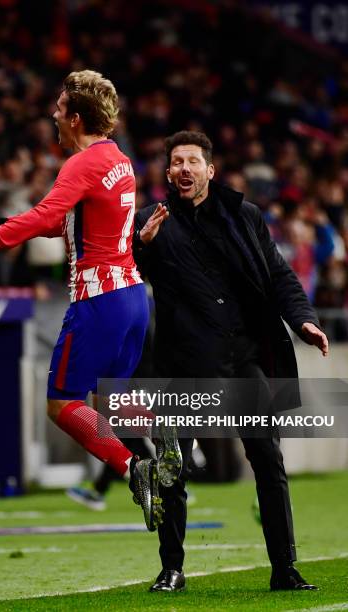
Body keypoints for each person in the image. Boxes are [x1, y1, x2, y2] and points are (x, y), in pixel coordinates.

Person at [0, 70, 182, 531]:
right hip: (132, 297)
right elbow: (72, 222)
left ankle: (134, 470)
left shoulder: (81, 164)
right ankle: (157, 428)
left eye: (58, 107)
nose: (52, 114)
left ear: (74, 117)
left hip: (98, 300)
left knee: (61, 404)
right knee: (111, 402)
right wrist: (7, 221)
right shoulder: (119, 160)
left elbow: (50, 213)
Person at [134, 130, 329, 592]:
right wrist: (141, 246)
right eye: (176, 162)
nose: (184, 169)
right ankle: (172, 569)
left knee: (267, 458)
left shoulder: (245, 216)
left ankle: (284, 567)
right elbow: (127, 275)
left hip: (244, 356)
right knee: (172, 465)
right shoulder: (150, 221)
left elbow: (278, 274)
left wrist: (304, 321)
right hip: (184, 361)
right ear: (168, 173)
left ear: (209, 170)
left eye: (192, 161)